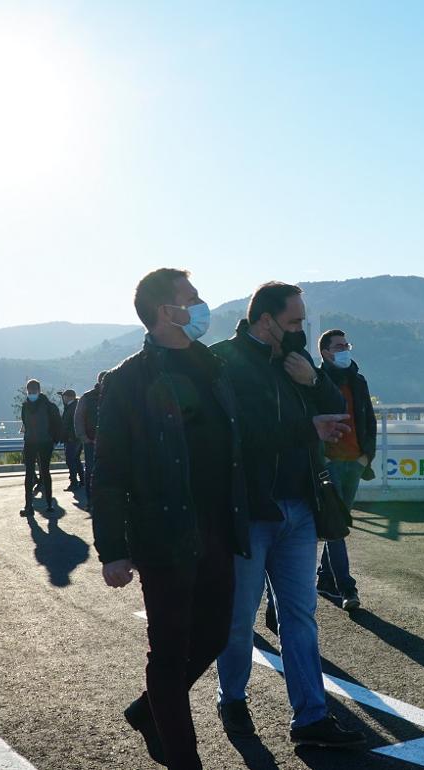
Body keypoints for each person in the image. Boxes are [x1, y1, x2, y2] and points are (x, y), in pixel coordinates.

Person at [94, 268, 250, 770]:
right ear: (168, 311)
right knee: (168, 651)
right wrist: (112, 549)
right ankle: (185, 760)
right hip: (162, 532)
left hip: (218, 529)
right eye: (194, 298)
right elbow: (109, 470)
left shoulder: (214, 367)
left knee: (216, 635)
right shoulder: (127, 380)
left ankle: (147, 711)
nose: (203, 305)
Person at [211, 282, 365, 749]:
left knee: (300, 616)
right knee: (240, 618)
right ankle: (232, 698)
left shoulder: (295, 363)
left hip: (300, 506)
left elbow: (335, 410)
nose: (302, 329)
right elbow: (235, 435)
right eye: (295, 321)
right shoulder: (223, 362)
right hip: (251, 511)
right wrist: (307, 426)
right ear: (265, 320)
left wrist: (314, 382)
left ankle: (311, 718)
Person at [315, 329, 375, 611]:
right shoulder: (315, 382)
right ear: (325, 352)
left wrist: (366, 456)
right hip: (330, 464)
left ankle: (325, 578)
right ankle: (347, 588)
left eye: (346, 344)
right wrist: (322, 459)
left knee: (339, 523)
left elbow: (369, 420)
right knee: (337, 527)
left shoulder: (357, 381)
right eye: (339, 346)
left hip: (354, 461)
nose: (345, 349)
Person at [20, 380, 64, 516]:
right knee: (29, 473)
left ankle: (49, 503)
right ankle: (28, 506)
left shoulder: (49, 406)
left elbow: (57, 423)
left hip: (45, 442)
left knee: (45, 471)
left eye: (33, 391)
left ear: (39, 390)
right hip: (30, 443)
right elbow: (25, 423)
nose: (31, 394)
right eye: (29, 391)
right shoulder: (25, 406)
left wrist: (53, 440)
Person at [74, 371, 106, 503]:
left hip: (109, 442)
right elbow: (79, 418)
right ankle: (91, 501)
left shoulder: (115, 396)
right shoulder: (87, 397)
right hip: (91, 441)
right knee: (91, 472)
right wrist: (84, 437)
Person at [60, 389, 83, 491]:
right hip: (76, 438)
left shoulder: (72, 407)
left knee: (70, 460)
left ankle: (74, 482)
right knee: (76, 459)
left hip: (72, 439)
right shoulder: (74, 406)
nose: (63, 398)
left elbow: (71, 423)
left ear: (69, 397)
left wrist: (69, 436)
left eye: (64, 396)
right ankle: (82, 480)